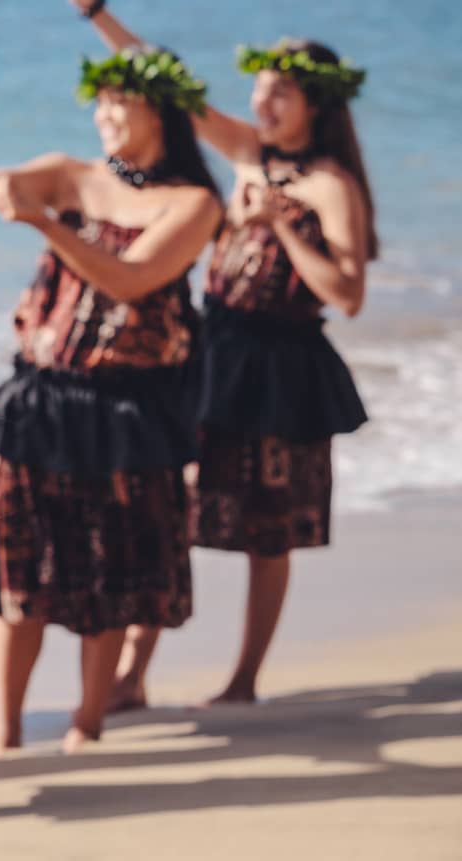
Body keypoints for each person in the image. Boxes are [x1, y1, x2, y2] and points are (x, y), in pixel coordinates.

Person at [77, 1, 373, 710]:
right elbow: (170, 84)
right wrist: (96, 13)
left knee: (267, 531)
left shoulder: (332, 184)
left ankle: (244, 677)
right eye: (261, 88)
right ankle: (132, 674)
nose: (263, 102)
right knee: (172, 503)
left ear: (315, 105)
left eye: (282, 92)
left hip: (283, 368)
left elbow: (349, 293)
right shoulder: (247, 153)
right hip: (215, 352)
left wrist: (282, 224)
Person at [0, 46, 222, 754]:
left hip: (125, 408)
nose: (104, 115)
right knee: (18, 567)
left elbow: (132, 280)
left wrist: (48, 223)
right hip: (41, 399)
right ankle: (6, 728)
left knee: (112, 565)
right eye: (99, 102)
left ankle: (88, 719)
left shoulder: (194, 203)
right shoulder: (69, 172)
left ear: (158, 109)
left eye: (118, 102)